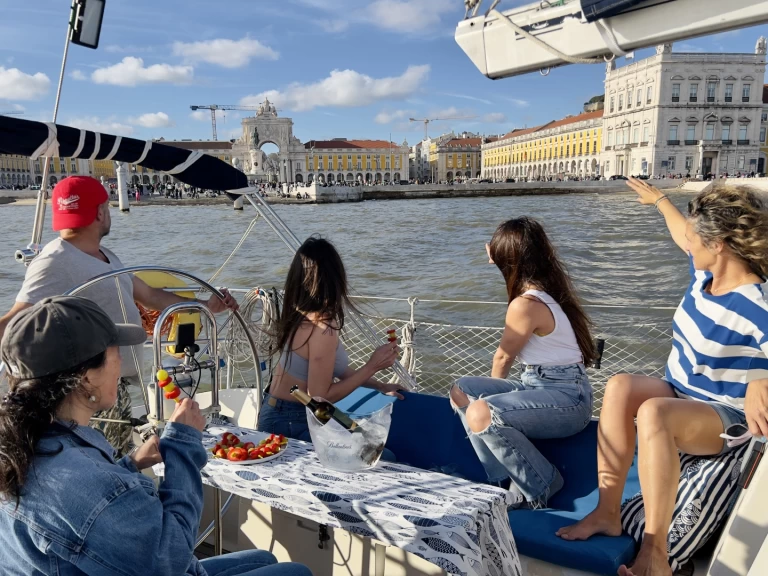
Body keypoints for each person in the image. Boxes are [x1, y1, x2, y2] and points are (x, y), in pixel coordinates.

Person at [0, 296, 311, 576]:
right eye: (115, 352)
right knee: (296, 572)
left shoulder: (22, 447)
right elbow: (170, 558)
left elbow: (84, 512)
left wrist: (130, 463)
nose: (122, 361)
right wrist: (183, 443)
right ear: (86, 377)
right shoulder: (85, 480)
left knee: (263, 559)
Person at [557, 179, 768, 576]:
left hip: (723, 415)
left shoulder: (755, 302)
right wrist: (660, 200)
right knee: (620, 385)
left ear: (718, 243)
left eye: (695, 239)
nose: (688, 244)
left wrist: (762, 374)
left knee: (654, 412)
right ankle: (607, 511)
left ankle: (655, 552)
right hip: (681, 391)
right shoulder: (706, 275)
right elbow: (681, 231)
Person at [0, 176, 238, 456]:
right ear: (100, 212)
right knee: (101, 463)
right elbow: (16, 320)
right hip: (86, 391)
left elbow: (149, 295)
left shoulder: (105, 256)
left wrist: (205, 306)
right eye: (107, 207)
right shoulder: (53, 261)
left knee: (116, 456)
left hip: (115, 384)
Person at [450, 217, 597, 509]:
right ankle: (503, 476)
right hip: (537, 384)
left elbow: (503, 357)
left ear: (507, 258)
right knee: (461, 390)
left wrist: (489, 407)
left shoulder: (525, 304)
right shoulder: (544, 293)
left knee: (482, 412)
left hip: (568, 397)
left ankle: (542, 483)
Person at [257, 236, 403, 442]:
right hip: (290, 419)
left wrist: (381, 386)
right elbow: (319, 397)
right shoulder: (323, 328)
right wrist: (372, 365)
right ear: (336, 279)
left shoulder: (302, 314)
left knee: (367, 439)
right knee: (382, 455)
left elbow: (338, 370)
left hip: (288, 410)